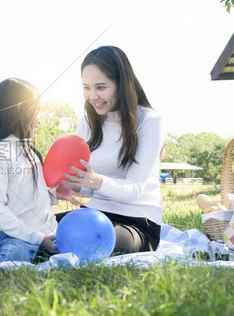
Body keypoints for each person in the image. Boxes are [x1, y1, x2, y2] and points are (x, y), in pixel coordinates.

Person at [60, 45, 164, 255]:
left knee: (88, 241)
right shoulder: (87, 123)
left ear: (121, 84)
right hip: (93, 214)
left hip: (137, 222)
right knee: (35, 231)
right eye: (86, 87)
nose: (92, 96)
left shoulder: (150, 121)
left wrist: (95, 180)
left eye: (100, 87)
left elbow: (134, 189)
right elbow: (89, 189)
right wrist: (75, 185)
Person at [0, 78, 78, 264]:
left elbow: (30, 198)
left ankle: (40, 250)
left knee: (77, 251)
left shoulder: (30, 152)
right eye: (37, 111)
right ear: (22, 110)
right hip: (13, 236)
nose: (39, 119)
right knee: (17, 257)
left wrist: (55, 194)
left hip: (46, 233)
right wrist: (38, 239)